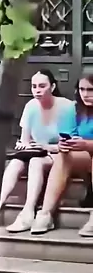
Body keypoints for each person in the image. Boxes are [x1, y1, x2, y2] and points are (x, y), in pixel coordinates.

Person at [0, 70, 75, 233]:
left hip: (58, 154)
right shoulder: (31, 106)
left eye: (42, 86)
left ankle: (28, 211)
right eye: (34, 86)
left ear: (52, 87)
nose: (37, 90)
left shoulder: (67, 107)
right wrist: (24, 145)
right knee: (15, 163)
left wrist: (45, 147)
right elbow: (25, 139)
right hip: (36, 151)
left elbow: (70, 143)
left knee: (35, 162)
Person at [31, 72, 93, 236]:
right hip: (82, 157)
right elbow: (67, 136)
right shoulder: (73, 109)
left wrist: (86, 144)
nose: (85, 94)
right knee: (63, 156)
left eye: (90, 90)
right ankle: (45, 213)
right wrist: (65, 144)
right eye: (82, 89)